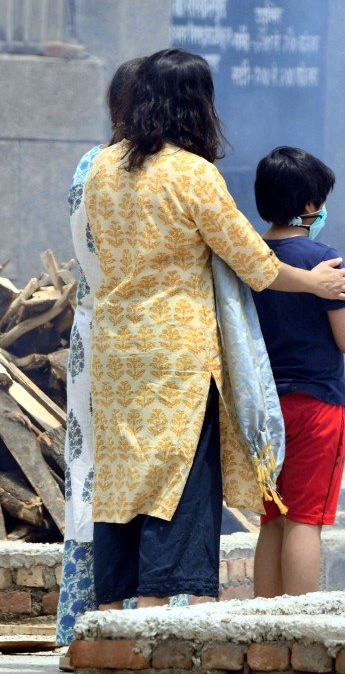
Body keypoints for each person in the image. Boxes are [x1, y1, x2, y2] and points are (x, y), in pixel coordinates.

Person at [82, 48, 345, 610]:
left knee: (121, 487)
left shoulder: (102, 168)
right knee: (176, 484)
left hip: (114, 354)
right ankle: (157, 622)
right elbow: (253, 259)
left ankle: (112, 617)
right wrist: (317, 285)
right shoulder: (193, 174)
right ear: (195, 105)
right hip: (179, 359)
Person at [54, 57, 192, 648]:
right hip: (152, 340)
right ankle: (156, 610)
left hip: (93, 336)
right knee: (161, 469)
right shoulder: (163, 172)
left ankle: (86, 620)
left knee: (93, 474)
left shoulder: (90, 165)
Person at [250, 146, 345, 597]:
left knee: (272, 520)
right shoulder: (322, 260)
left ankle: (262, 625)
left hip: (264, 409)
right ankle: (300, 626)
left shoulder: (249, 258)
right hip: (317, 407)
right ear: (308, 206)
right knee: (305, 520)